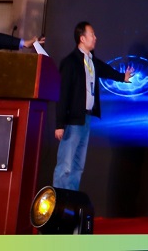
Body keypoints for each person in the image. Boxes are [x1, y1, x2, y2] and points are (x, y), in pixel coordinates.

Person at [53, 21, 133, 190]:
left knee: (78, 165)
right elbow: (62, 94)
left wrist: (122, 77)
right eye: (92, 34)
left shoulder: (91, 60)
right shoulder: (70, 62)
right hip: (72, 120)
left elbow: (105, 70)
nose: (95, 37)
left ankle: (71, 198)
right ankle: (58, 200)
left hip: (86, 118)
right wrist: (59, 124)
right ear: (82, 38)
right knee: (65, 165)